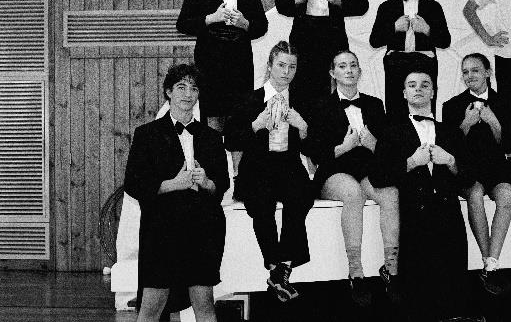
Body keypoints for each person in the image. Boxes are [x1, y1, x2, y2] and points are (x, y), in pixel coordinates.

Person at [124, 64, 230, 322]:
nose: (188, 94)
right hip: (161, 230)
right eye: (181, 87)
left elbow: (222, 185)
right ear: (168, 92)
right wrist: (173, 183)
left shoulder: (212, 137)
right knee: (152, 306)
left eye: (194, 88)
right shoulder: (147, 134)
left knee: (204, 304)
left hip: (203, 230)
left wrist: (207, 182)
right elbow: (134, 184)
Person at [304, 50, 400, 307]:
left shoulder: (375, 104)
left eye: (353, 65)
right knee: (353, 193)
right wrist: (343, 147)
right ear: (333, 73)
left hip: (368, 170)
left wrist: (373, 144)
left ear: (360, 71)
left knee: (391, 193)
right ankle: (356, 272)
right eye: (342, 66)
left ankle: (391, 269)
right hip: (334, 172)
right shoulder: (320, 105)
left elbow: (389, 149)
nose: (349, 70)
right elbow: (313, 151)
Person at [372, 71, 470, 321]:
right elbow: (378, 177)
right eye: (412, 85)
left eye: (425, 85)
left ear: (433, 92)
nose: (419, 89)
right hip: (413, 217)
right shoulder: (391, 132)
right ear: (404, 93)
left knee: (452, 288)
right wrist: (411, 162)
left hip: (449, 215)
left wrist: (451, 161)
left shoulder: (451, 132)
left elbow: (469, 178)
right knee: (418, 294)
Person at [223, 41, 314, 302]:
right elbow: (230, 139)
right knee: (261, 201)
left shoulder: (303, 101)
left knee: (302, 196)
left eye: (292, 67)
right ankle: (277, 267)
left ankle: (281, 268)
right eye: (281, 65)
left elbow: (314, 147)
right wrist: (255, 125)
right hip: (257, 166)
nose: (286, 72)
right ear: (270, 66)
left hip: (289, 166)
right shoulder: (249, 99)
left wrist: (303, 128)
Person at [176, 0, 268, 136]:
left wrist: (245, 24)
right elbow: (182, 24)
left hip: (240, 68)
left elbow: (262, 27)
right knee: (212, 126)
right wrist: (211, 18)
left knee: (240, 123)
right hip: (211, 68)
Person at [442, 53, 511, 296]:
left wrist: (495, 123)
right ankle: (488, 263)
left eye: (475, 70)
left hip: (497, 167)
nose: (469, 75)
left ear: (488, 72)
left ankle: (492, 262)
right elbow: (449, 147)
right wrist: (465, 124)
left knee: (506, 195)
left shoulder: (505, 102)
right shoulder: (451, 105)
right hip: (468, 168)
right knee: (474, 194)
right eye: (465, 72)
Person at [369, 0, 451, 117]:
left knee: (424, 111)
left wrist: (427, 30)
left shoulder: (433, 6)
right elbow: (374, 41)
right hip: (395, 63)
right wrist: (394, 28)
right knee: (395, 112)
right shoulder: (386, 7)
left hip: (425, 63)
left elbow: (445, 41)